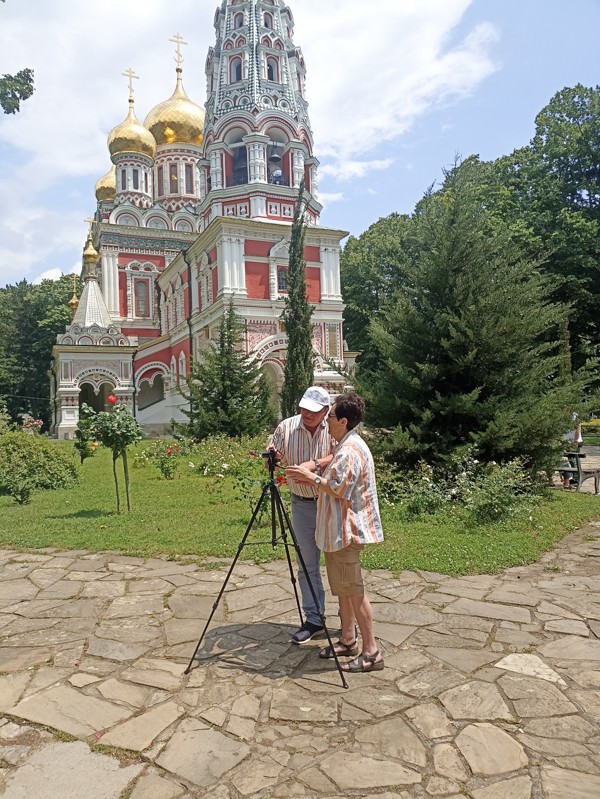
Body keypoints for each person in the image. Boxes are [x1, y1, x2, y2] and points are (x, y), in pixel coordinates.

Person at [286, 392, 385, 673]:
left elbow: (341, 489)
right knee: (343, 588)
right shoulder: (344, 443)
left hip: (347, 532)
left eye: (330, 416)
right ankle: (348, 639)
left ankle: (371, 652)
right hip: (336, 531)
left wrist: (311, 477)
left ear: (343, 421)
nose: (327, 420)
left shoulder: (351, 450)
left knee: (354, 591)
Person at [269, 386, 335, 644]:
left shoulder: (333, 427)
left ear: (326, 411)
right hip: (302, 503)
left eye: (314, 410)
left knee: (337, 563)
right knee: (307, 564)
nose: (307, 413)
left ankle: (347, 617)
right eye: (304, 408)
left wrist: (316, 464)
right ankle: (314, 619)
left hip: (331, 502)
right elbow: (274, 456)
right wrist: (271, 458)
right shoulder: (286, 427)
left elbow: (341, 453)